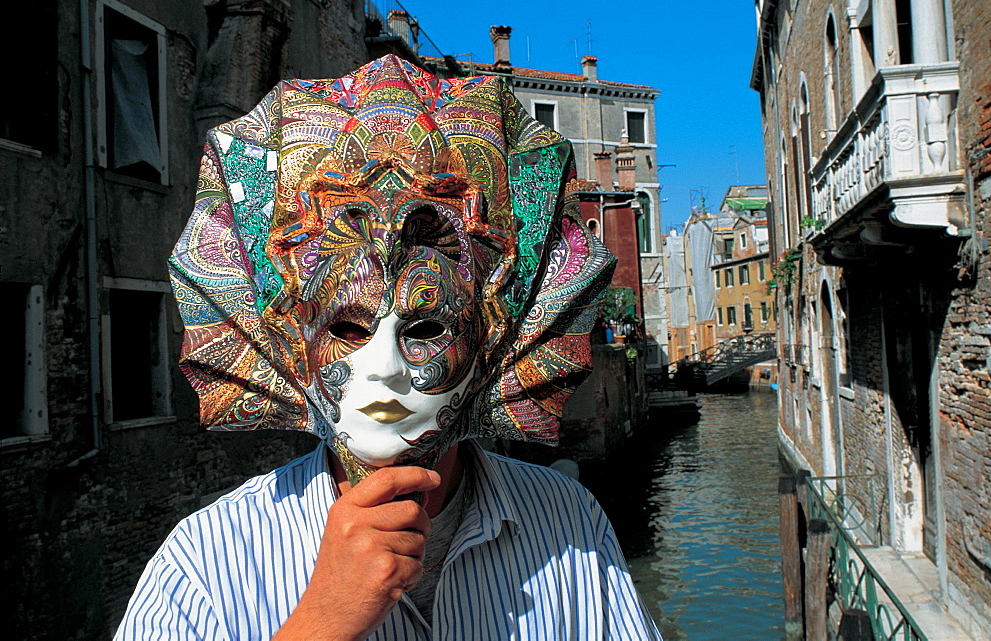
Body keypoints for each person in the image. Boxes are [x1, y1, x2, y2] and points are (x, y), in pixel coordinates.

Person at [115, 56, 660, 640]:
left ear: (496, 336)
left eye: (425, 328)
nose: (382, 368)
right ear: (288, 338)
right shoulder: (203, 568)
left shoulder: (569, 526)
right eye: (347, 328)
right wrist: (322, 621)